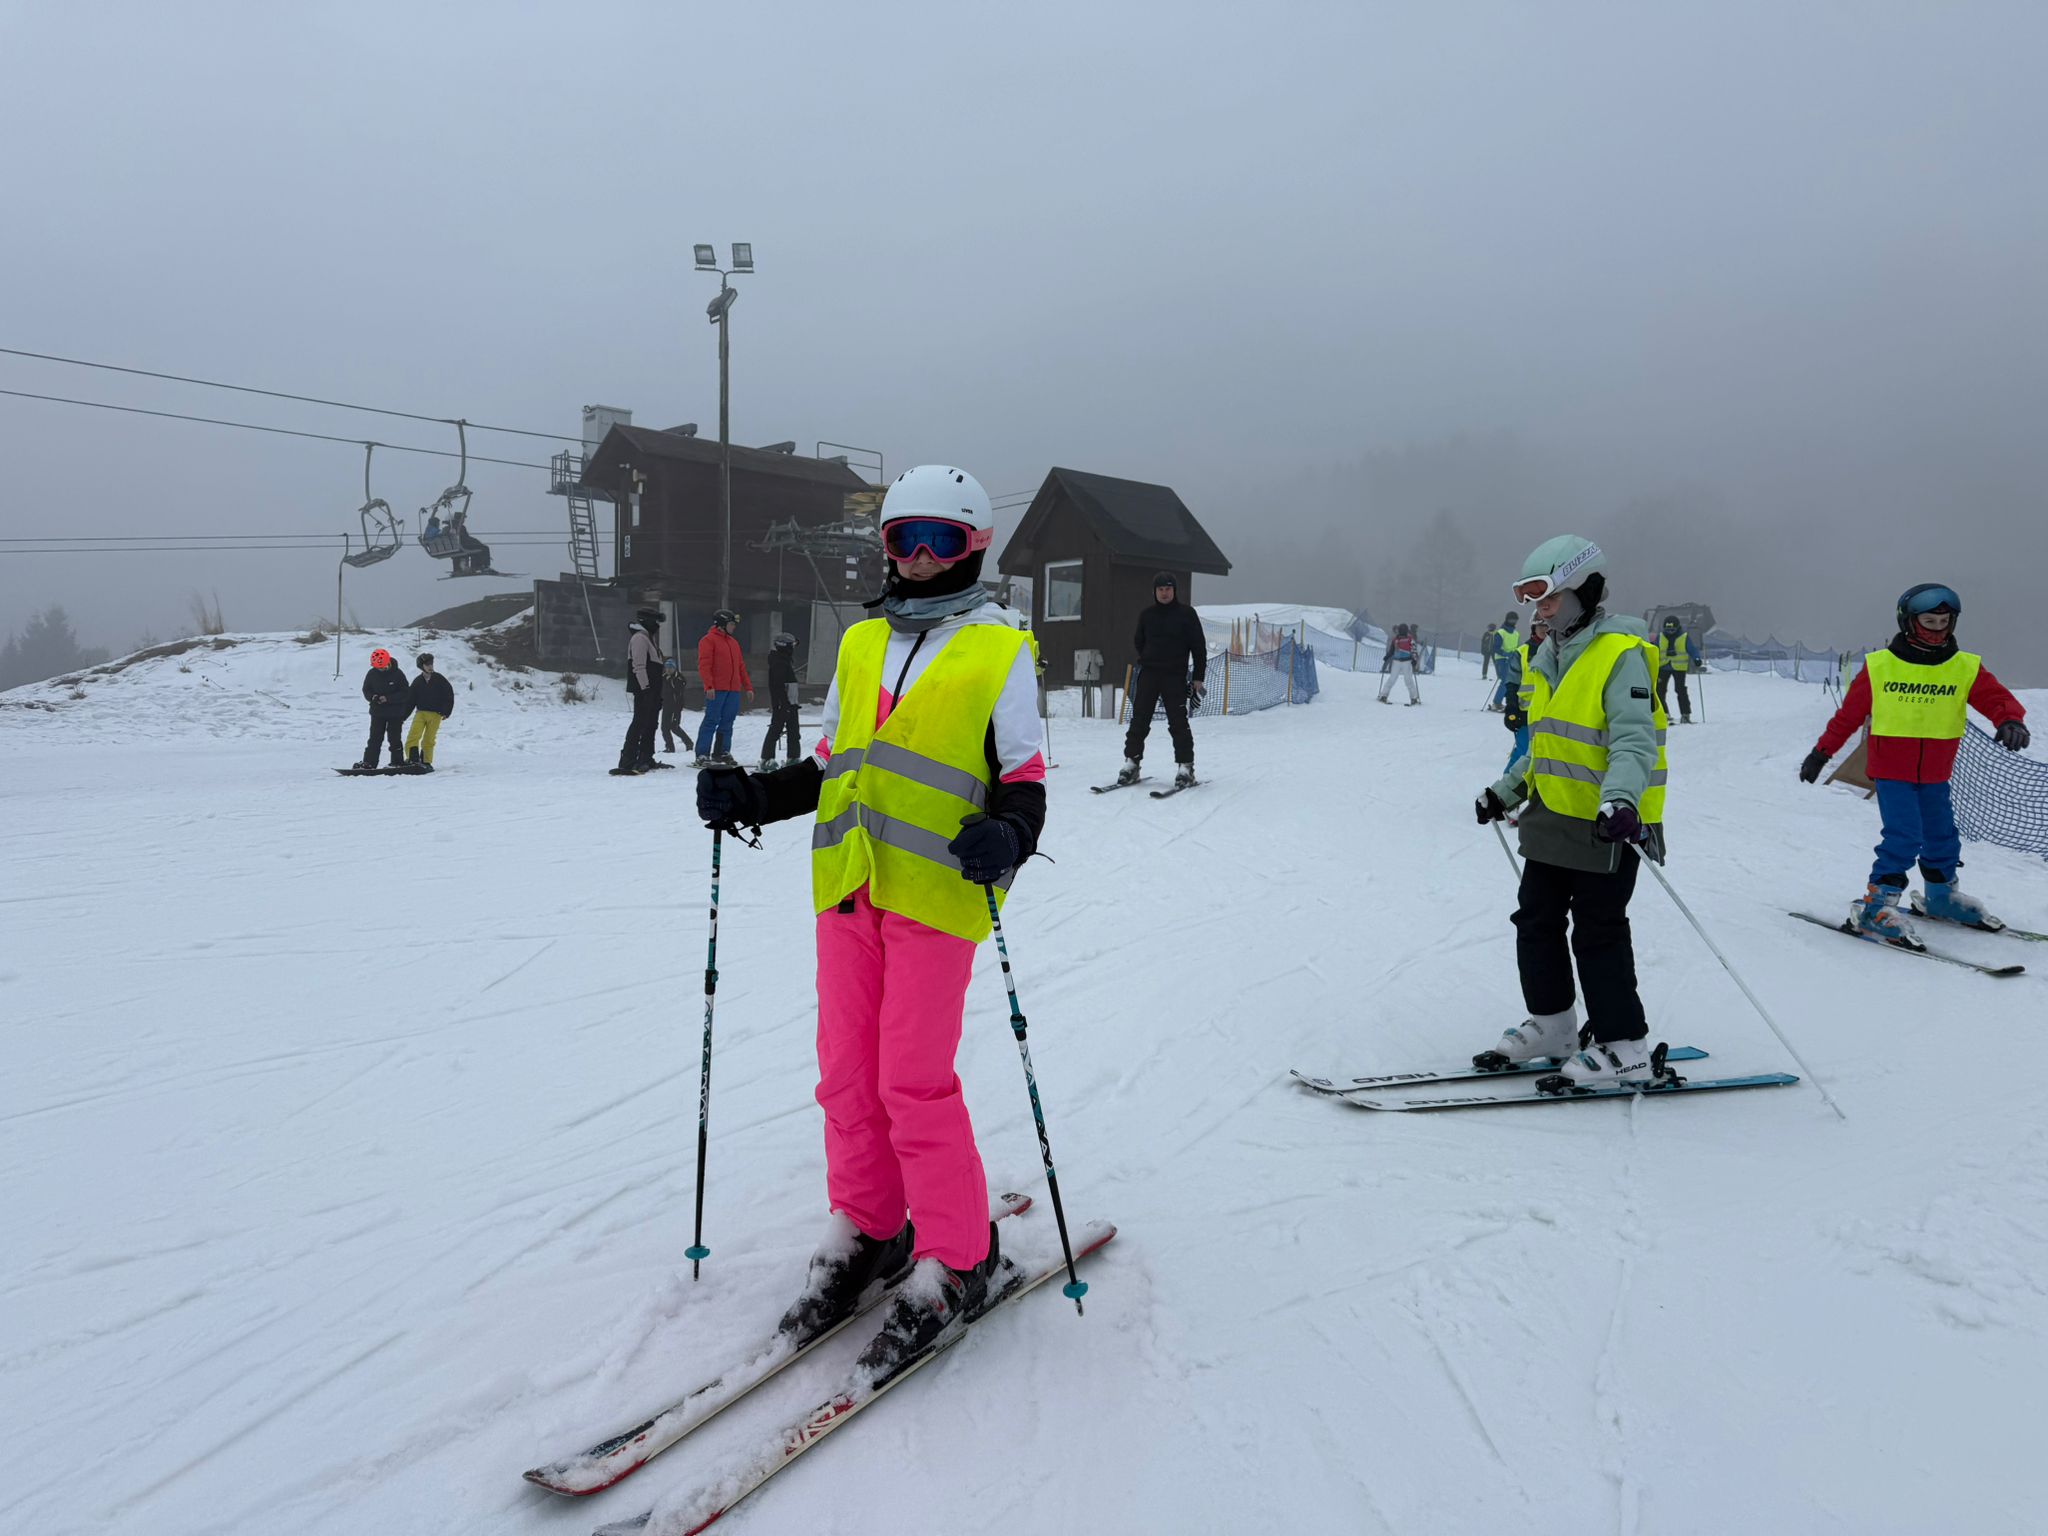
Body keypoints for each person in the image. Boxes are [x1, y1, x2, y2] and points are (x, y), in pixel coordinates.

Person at [695, 464, 1047, 1374]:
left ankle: (961, 1258)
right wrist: (754, 795)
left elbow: (1024, 778)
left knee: (913, 1081)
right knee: (847, 1078)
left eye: (942, 540)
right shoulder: (860, 644)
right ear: (886, 546)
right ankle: (872, 1227)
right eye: (904, 539)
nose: (921, 557)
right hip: (848, 888)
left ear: (974, 547)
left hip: (936, 894)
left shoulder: (1001, 649)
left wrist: (1009, 834)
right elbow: (832, 762)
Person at [1473, 536, 1668, 1089]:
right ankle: (1555, 1025)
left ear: (1585, 590)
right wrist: (1506, 791)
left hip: (1608, 823)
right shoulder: (1547, 655)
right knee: (1535, 921)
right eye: (1535, 600)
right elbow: (1546, 744)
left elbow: (1634, 741)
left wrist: (1622, 800)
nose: (1541, 609)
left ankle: (1625, 1045)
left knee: (1598, 933)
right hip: (1553, 816)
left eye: (1550, 597)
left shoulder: (1620, 653)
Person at [1799, 583, 2029, 939]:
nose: (1937, 629)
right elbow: (1848, 717)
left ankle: (1940, 896)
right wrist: (1821, 753)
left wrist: (2010, 719)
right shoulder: (1881, 666)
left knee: (1942, 836)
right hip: (1892, 772)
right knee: (1904, 836)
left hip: (1936, 772)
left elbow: (1996, 698)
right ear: (1908, 621)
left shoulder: (1964, 666)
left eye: (1943, 622)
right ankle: (1876, 905)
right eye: (1928, 621)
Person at [1115, 572, 1206, 788]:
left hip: (1174, 676)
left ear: (1174, 591)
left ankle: (1186, 767)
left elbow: (1198, 647)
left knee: (1178, 722)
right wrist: (1151, 657)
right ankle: (1132, 763)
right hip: (1149, 674)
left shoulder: (1187, 614)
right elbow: (1139, 641)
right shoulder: (1147, 615)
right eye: (1160, 589)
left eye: (1168, 589)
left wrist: (1198, 677)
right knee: (1139, 720)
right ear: (1155, 592)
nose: (1164, 593)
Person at [696, 609, 753, 767]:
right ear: (721, 625)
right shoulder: (708, 640)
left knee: (728, 721)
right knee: (711, 720)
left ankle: (722, 752)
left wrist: (748, 687)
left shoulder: (734, 643)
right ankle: (702, 754)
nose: (734, 627)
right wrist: (709, 685)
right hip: (716, 689)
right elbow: (704, 665)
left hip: (733, 690)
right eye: (731, 624)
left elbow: (741, 667)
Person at [613, 608, 665, 776]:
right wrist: (646, 688)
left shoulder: (649, 638)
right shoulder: (640, 638)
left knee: (651, 723)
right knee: (639, 723)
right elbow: (639, 666)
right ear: (647, 621)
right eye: (655, 622)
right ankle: (628, 759)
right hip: (645, 690)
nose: (657, 625)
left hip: (653, 689)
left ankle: (646, 757)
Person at [1501, 616, 1549, 773]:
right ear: (1533, 628)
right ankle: (1507, 785)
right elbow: (1512, 682)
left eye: (1547, 626)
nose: (1544, 629)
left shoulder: (1559, 650)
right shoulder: (1522, 652)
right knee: (1523, 753)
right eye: (1540, 626)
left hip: (1549, 711)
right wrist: (1511, 707)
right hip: (1526, 713)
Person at [359, 647, 413, 769]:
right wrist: (372, 697)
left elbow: (405, 692)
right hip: (377, 712)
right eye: (378, 667)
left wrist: (388, 698)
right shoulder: (372, 673)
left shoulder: (398, 674)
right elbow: (366, 690)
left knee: (394, 738)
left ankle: (397, 762)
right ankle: (369, 762)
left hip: (395, 713)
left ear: (388, 662)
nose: (381, 669)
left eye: (383, 667)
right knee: (374, 739)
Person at [757, 631, 802, 769]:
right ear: (785, 646)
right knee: (775, 729)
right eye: (791, 646)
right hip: (783, 704)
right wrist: (783, 703)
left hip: (791, 703)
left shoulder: (786, 661)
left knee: (794, 731)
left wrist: (791, 703)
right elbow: (778, 685)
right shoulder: (779, 662)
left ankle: (793, 757)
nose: (793, 649)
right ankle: (766, 759)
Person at [405, 652, 454, 771]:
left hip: (435, 714)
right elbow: (410, 700)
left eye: (431, 664)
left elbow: (449, 695)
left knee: (429, 739)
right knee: (413, 736)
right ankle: (412, 759)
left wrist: (446, 711)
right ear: (421, 666)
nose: (430, 667)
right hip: (420, 713)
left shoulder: (440, 679)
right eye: (427, 665)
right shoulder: (417, 681)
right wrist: (403, 715)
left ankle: (426, 761)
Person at [1655, 615, 1699, 724]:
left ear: (1678, 628)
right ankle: (1664, 713)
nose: (1670, 632)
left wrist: (1696, 658)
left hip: (1679, 668)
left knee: (1680, 690)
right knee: (1659, 690)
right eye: (1668, 630)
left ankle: (1685, 714)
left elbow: (1692, 649)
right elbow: (1654, 649)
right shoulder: (1660, 637)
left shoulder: (1684, 637)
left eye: (1672, 630)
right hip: (1663, 667)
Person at [1377, 624, 1421, 705]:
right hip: (1396, 661)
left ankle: (1414, 698)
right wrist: (1387, 656)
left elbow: (1414, 650)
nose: (1402, 632)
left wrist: (1414, 660)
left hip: (1407, 662)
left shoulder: (1410, 639)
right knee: (1392, 679)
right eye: (1401, 630)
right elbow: (1392, 650)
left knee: (1408, 680)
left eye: (1403, 630)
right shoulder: (1396, 639)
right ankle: (1383, 695)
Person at [660, 656, 694, 756]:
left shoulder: (678, 678)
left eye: (670, 668)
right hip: (666, 705)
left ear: (674, 668)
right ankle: (669, 747)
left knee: (674, 727)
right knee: (664, 727)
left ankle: (688, 742)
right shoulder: (663, 677)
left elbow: (679, 692)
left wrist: (678, 708)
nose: (668, 670)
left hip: (675, 706)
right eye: (667, 667)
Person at [1487, 613, 1519, 708]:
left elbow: (1516, 646)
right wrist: (1504, 653)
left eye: (1515, 620)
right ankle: (1497, 702)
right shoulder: (1501, 632)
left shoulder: (1516, 633)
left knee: (1512, 681)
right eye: (1511, 620)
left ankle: (1508, 702)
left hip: (1512, 659)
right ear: (1507, 620)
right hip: (1501, 660)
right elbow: (1495, 647)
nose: (1513, 622)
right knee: (1505, 680)